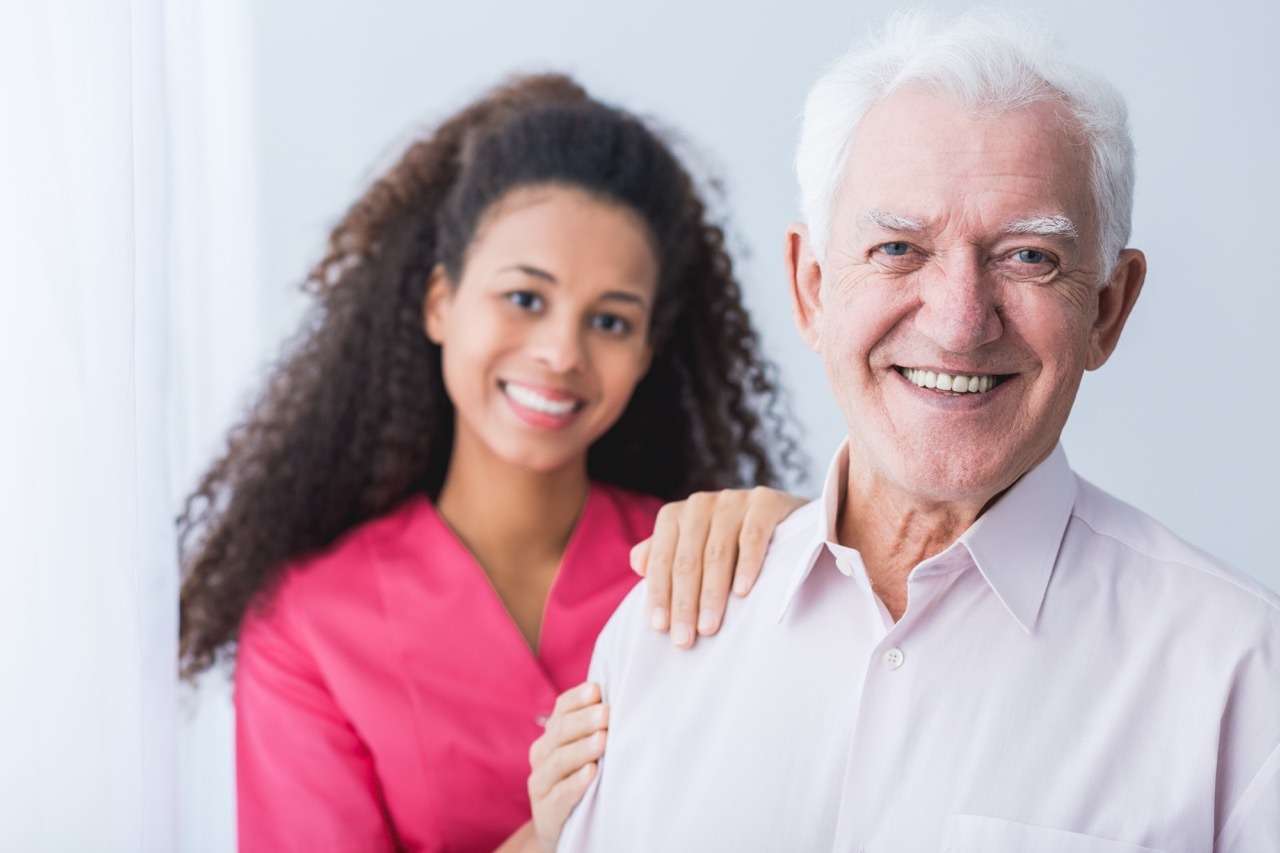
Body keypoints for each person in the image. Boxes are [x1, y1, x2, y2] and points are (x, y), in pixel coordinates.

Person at [555, 11, 1280, 852]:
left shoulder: (1240, 677)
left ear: (1108, 309)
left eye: (1028, 256)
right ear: (812, 287)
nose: (960, 322)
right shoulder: (662, 632)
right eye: (898, 248)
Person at [176, 73, 810, 852]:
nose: (561, 352)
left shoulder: (706, 568)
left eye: (611, 321)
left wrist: (807, 546)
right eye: (525, 298)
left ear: (647, 352)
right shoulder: (307, 626)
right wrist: (554, 833)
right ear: (440, 302)